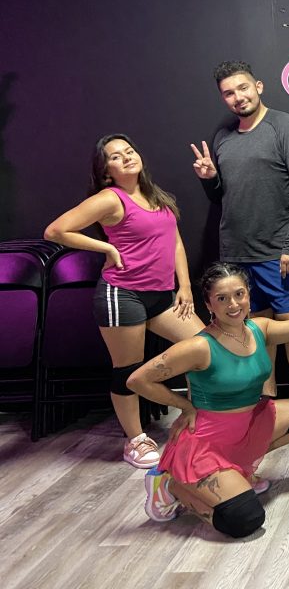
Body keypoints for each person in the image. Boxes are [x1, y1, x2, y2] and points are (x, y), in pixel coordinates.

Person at [128, 261, 289, 537]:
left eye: (239, 294)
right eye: (222, 298)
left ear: (248, 295)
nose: (233, 304)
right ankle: (170, 486)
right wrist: (184, 405)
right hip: (207, 441)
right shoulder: (199, 346)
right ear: (209, 305)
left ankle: (237, 470)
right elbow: (137, 380)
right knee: (245, 519)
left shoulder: (259, 328)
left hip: (249, 423)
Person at [190, 60, 289, 448]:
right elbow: (222, 198)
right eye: (229, 93)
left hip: (276, 252)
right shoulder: (223, 138)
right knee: (255, 330)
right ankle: (265, 408)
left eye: (243, 88)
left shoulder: (284, 127)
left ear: (259, 86)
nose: (238, 97)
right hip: (236, 254)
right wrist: (209, 181)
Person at [44, 134, 203, 468]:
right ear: (107, 171)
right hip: (123, 294)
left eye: (129, 150)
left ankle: (195, 413)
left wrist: (184, 286)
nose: (127, 157)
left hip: (162, 295)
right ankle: (135, 440)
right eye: (116, 156)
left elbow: (174, 242)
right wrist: (107, 248)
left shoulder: (155, 196)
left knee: (204, 348)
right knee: (127, 370)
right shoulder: (110, 198)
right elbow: (56, 231)